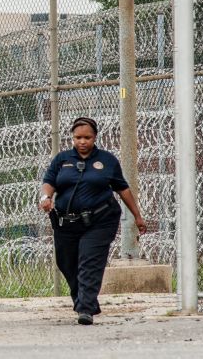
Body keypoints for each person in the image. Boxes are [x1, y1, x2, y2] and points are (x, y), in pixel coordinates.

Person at [38, 116, 146, 325]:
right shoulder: (62, 159)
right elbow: (49, 182)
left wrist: (137, 216)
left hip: (100, 220)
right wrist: (46, 198)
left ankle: (85, 308)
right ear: (72, 138)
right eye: (78, 137)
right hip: (67, 222)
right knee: (66, 262)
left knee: (89, 261)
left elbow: (122, 188)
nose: (82, 142)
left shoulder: (107, 161)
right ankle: (85, 300)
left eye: (87, 137)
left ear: (95, 137)